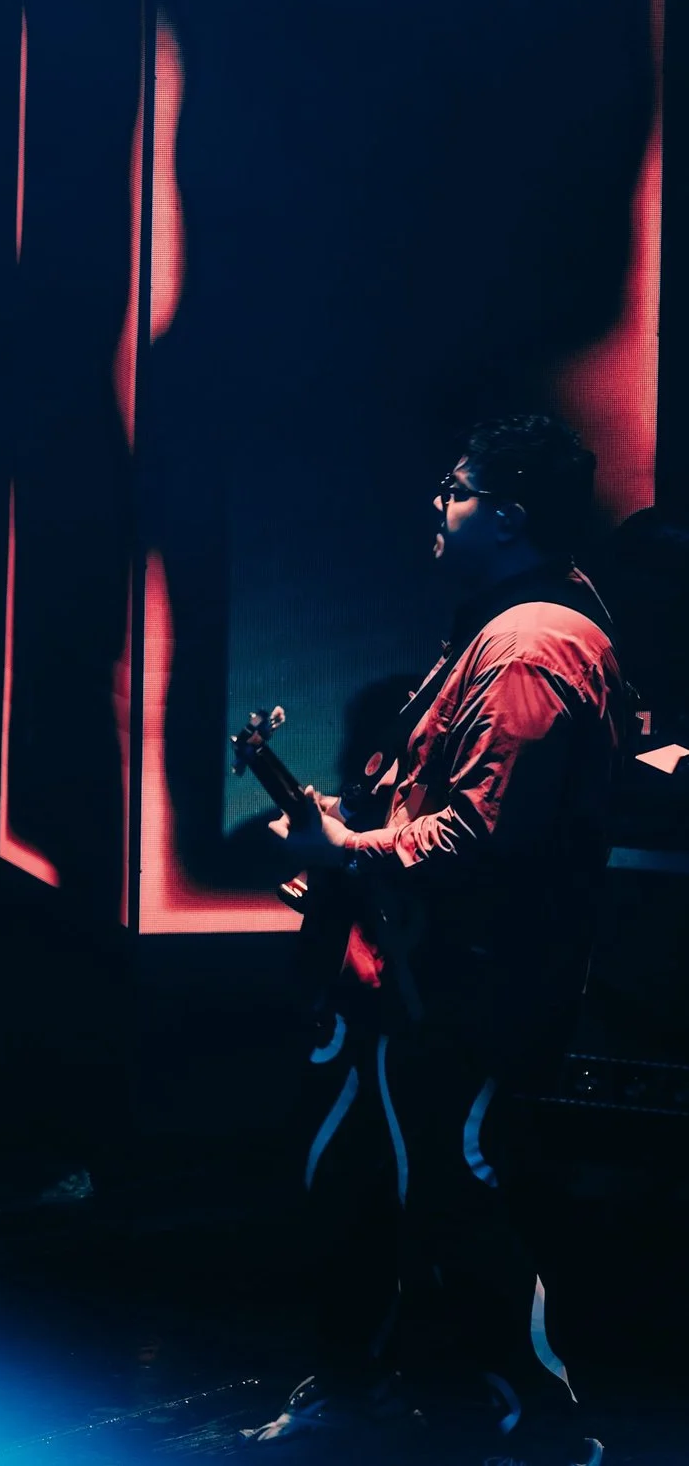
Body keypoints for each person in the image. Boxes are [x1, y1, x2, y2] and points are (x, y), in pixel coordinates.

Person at [248, 415, 621, 1465]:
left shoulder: (529, 645)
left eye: (453, 489)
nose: (435, 503)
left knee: (451, 1190)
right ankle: (360, 1390)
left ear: (503, 515)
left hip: (470, 984)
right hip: (432, 979)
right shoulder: (510, 628)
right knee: (366, 1176)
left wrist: (351, 847)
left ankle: (527, 1421)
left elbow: (476, 834)